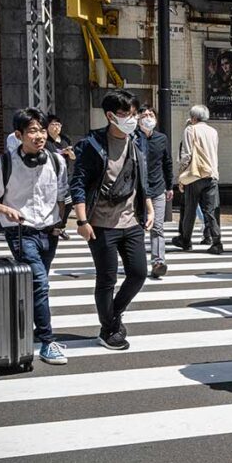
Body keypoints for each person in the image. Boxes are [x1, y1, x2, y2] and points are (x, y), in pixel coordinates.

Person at [0, 108, 69, 365]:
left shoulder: (56, 161)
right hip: (20, 232)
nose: (39, 136)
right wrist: (7, 209)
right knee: (40, 283)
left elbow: (62, 197)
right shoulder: (3, 163)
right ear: (19, 135)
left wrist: (60, 224)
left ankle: (23, 331)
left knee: (36, 284)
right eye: (32, 131)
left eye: (42, 130)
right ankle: (48, 341)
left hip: (49, 233)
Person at [71, 89, 154, 351]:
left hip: (131, 222)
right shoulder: (92, 144)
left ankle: (113, 314)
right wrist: (82, 221)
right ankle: (108, 330)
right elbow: (79, 183)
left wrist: (149, 207)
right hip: (101, 224)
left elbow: (142, 179)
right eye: (125, 114)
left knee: (139, 273)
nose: (132, 119)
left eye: (134, 114)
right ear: (110, 116)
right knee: (106, 279)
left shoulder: (137, 141)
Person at [173, 105, 222, 254]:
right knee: (211, 210)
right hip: (211, 174)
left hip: (195, 175)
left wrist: (181, 175)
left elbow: (187, 155)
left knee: (190, 209)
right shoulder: (213, 131)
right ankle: (217, 242)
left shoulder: (190, 130)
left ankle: (186, 241)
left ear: (193, 117)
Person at [136, 106, 174, 278]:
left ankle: (158, 262)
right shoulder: (133, 138)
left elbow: (167, 162)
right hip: (137, 190)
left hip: (158, 187)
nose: (148, 118)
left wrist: (170, 185)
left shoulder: (161, 139)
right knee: (136, 228)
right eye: (144, 115)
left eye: (151, 115)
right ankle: (136, 263)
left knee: (157, 227)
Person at [45, 114, 77, 240]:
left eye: (58, 125)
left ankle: (61, 226)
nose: (56, 127)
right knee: (55, 204)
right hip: (50, 177)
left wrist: (69, 152)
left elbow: (73, 157)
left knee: (68, 203)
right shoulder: (45, 141)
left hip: (64, 176)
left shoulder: (65, 139)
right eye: (53, 125)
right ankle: (52, 227)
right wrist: (61, 152)